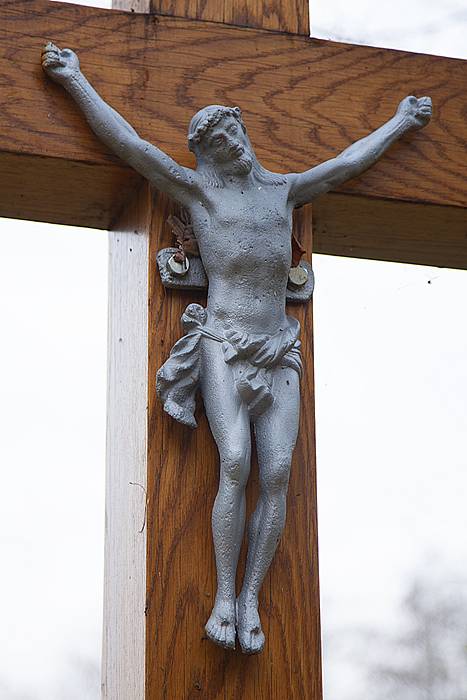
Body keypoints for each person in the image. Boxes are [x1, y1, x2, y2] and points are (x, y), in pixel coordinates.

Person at [42, 42, 432, 654]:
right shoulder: (199, 193)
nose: (235, 144)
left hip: (279, 347)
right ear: (207, 154)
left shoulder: (284, 191)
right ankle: (223, 596)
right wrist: (74, 79)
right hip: (224, 342)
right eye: (221, 141)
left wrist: (401, 122)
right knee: (235, 462)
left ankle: (250, 599)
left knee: (277, 471)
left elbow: (347, 164)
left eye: (235, 132)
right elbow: (131, 146)